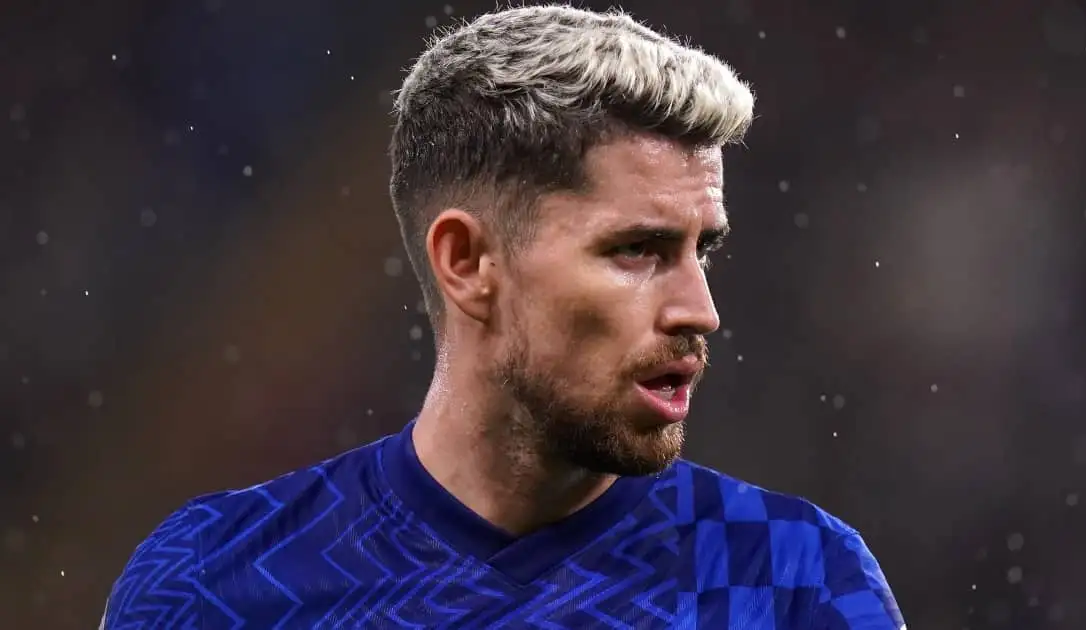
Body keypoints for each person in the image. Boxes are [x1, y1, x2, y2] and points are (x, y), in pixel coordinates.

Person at [101, 5, 905, 629]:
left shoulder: (793, 579)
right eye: (637, 250)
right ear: (467, 262)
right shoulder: (215, 581)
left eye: (704, 250)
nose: (701, 310)